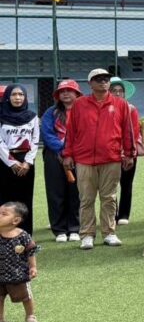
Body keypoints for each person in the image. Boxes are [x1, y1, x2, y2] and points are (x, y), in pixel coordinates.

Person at [62, 68, 136, 250]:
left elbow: (128, 130)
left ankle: (109, 232)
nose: (103, 81)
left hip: (111, 158)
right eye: (98, 79)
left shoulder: (121, 104)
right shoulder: (79, 104)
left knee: (109, 197)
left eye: (106, 79)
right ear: (90, 83)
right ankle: (87, 234)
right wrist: (68, 154)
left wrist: (129, 153)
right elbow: (71, 131)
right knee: (86, 199)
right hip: (84, 159)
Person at [40, 79, 82, 243]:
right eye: (62, 91)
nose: (65, 94)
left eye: (69, 90)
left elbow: (86, 132)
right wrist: (63, 151)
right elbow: (47, 133)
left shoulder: (83, 111)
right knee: (55, 192)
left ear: (77, 93)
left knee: (76, 192)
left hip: (78, 155)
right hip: (54, 155)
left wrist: (71, 152)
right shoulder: (51, 112)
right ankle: (59, 230)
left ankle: (74, 228)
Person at [0, 85, 40, 234]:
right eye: (14, 94)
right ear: (7, 97)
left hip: (26, 162)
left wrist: (28, 162)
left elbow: (35, 140)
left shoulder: (32, 116)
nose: (17, 98)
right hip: (5, 162)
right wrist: (12, 162)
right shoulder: (1, 116)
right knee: (6, 198)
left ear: (25, 97)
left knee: (25, 198)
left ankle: (25, 234)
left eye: (21, 94)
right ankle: (5, 233)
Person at [0, 202, 38, 322]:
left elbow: (31, 252)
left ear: (15, 220)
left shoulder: (23, 236)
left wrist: (33, 267)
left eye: (3, 214)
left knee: (26, 296)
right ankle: (1, 320)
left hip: (18, 273)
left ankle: (30, 315)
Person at [110, 77, 142, 226]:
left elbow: (134, 131)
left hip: (128, 152)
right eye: (114, 91)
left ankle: (124, 214)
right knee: (110, 185)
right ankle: (112, 213)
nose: (117, 93)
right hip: (110, 152)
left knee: (126, 183)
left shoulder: (131, 109)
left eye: (120, 91)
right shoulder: (103, 109)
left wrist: (128, 152)